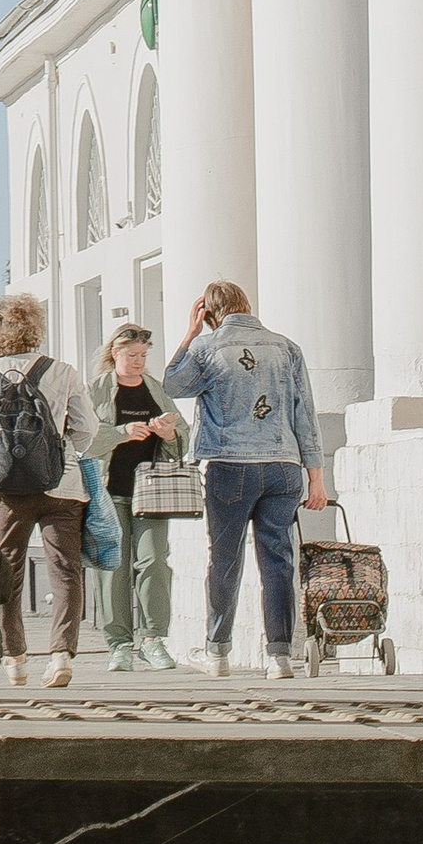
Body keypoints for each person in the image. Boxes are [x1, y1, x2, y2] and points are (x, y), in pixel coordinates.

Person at [162, 279, 325, 680]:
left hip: (229, 466)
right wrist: (316, 478)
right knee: (278, 562)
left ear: (210, 313)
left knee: (225, 559)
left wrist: (189, 333)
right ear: (247, 305)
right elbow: (306, 414)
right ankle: (280, 657)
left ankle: (218, 654)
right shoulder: (286, 347)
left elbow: (172, 385)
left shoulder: (206, 347)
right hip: (284, 466)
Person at [0, 291, 97, 687]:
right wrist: (66, 443)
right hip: (61, 484)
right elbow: (87, 429)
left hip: (7, 491)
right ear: (36, 328)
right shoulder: (62, 371)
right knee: (65, 571)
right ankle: (61, 655)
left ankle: (15, 658)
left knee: (6, 572)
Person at [90, 321, 183, 672]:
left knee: (154, 561)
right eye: (132, 355)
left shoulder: (155, 390)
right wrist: (120, 432)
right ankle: (119, 645)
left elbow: (178, 446)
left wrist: (170, 433)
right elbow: (81, 440)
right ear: (115, 354)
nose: (138, 362)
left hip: (153, 494)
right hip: (108, 492)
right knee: (113, 569)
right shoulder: (95, 390)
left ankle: (153, 639)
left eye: (143, 356)